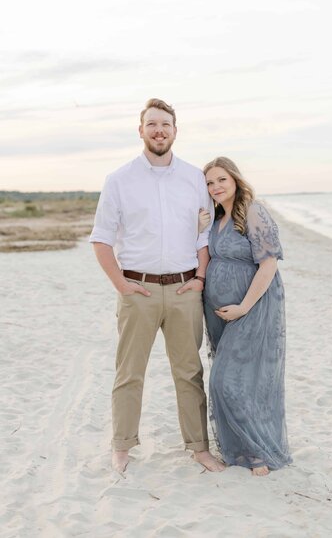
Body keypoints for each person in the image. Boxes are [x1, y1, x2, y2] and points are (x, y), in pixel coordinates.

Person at [89, 99, 224, 474]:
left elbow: (204, 236)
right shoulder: (119, 179)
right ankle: (122, 446)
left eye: (165, 124)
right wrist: (121, 284)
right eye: (152, 124)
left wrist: (199, 279)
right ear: (141, 130)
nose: (159, 130)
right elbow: (101, 239)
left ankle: (199, 448)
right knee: (129, 371)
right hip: (138, 291)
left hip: (185, 291)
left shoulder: (195, 178)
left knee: (189, 372)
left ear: (175, 130)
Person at [199, 157, 292, 476]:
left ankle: (257, 454)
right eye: (209, 182)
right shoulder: (216, 217)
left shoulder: (253, 210)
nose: (215, 187)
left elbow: (268, 265)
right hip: (218, 312)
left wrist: (244, 306)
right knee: (233, 378)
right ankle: (239, 450)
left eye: (221, 179)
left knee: (229, 380)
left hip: (252, 307)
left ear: (235, 179)